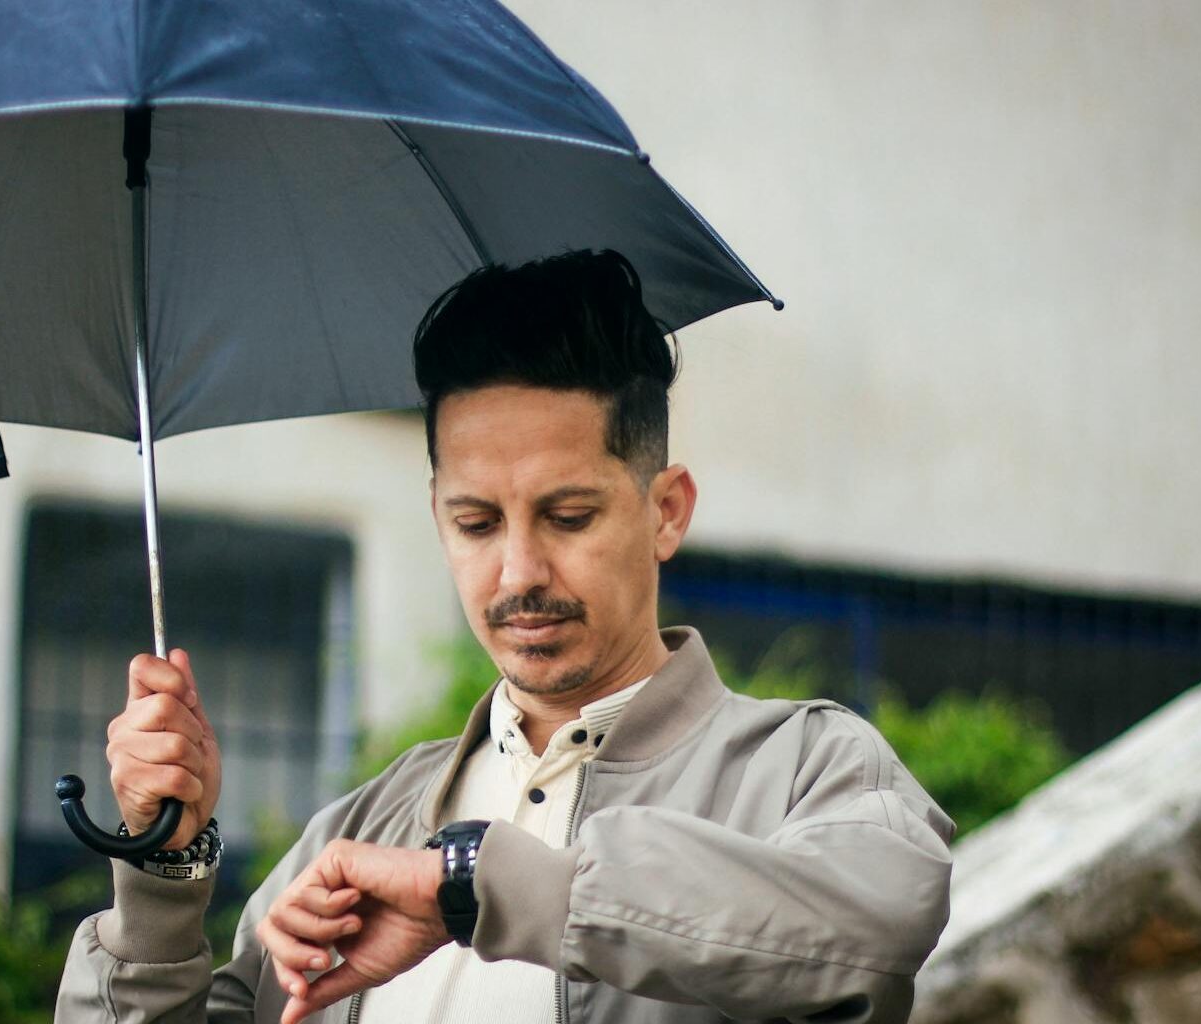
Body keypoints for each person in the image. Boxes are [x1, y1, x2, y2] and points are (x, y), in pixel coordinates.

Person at [56, 250, 954, 1024]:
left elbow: (876, 924)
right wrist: (162, 879)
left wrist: (472, 882)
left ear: (666, 511)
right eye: (477, 523)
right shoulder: (366, 821)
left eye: (567, 516)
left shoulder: (804, 768)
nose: (519, 571)